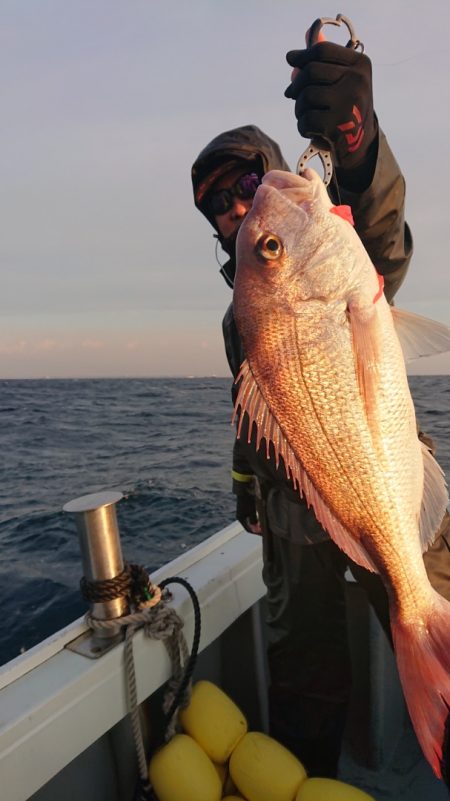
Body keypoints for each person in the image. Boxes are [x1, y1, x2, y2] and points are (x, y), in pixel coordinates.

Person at [191, 41, 450, 778]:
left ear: (276, 164)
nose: (238, 207)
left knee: (429, 588)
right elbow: (252, 422)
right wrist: (246, 489)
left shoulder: (339, 249)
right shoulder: (242, 320)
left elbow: (381, 238)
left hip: (380, 481)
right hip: (291, 518)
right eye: (218, 206)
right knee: (300, 676)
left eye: (245, 184)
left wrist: (354, 142)